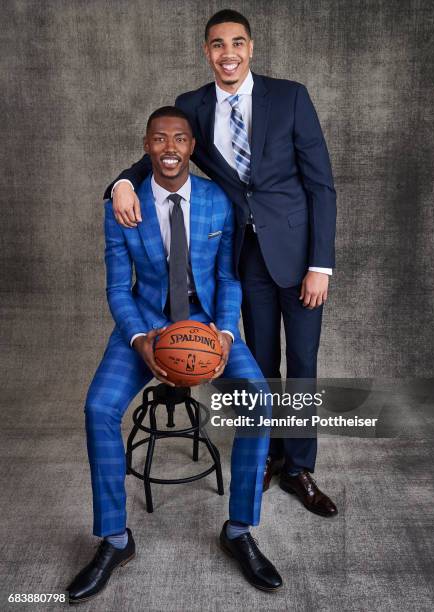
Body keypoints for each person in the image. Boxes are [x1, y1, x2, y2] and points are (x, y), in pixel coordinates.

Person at [106, 10, 338, 518]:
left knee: (302, 364)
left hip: (299, 256)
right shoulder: (193, 105)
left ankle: (300, 466)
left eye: (236, 43)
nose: (227, 53)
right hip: (243, 258)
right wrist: (122, 182)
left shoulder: (290, 96)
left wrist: (321, 263)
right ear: (206, 52)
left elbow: (320, 183)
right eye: (217, 44)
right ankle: (268, 453)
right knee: (261, 362)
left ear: (250, 48)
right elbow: (161, 154)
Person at [67, 107, 282, 603]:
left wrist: (226, 336)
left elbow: (228, 281)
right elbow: (119, 288)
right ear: (146, 147)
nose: (170, 149)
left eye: (180, 140)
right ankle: (115, 540)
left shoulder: (216, 202)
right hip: (145, 325)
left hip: (206, 327)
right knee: (98, 407)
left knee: (258, 398)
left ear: (191, 147)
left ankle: (239, 531)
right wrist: (142, 339)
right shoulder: (123, 206)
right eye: (160, 140)